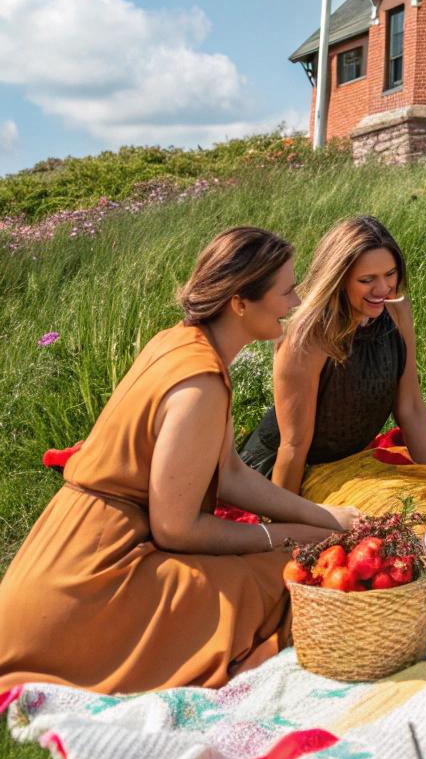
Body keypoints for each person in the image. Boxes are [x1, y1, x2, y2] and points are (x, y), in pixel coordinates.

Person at [0, 228, 362, 695]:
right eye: (286, 290)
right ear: (240, 303)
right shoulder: (200, 384)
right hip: (99, 581)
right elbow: (175, 528)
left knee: (293, 556)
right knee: (284, 579)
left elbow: (229, 473)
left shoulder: (181, 345)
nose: (295, 302)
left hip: (74, 546)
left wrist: (322, 517)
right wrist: (287, 535)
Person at [239, 215, 426, 521]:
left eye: (390, 274)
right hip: (293, 471)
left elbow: (410, 407)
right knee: (412, 521)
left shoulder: (396, 308)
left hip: (354, 463)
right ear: (338, 278)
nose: (383, 288)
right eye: (367, 280)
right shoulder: (307, 337)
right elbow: (294, 445)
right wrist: (284, 524)